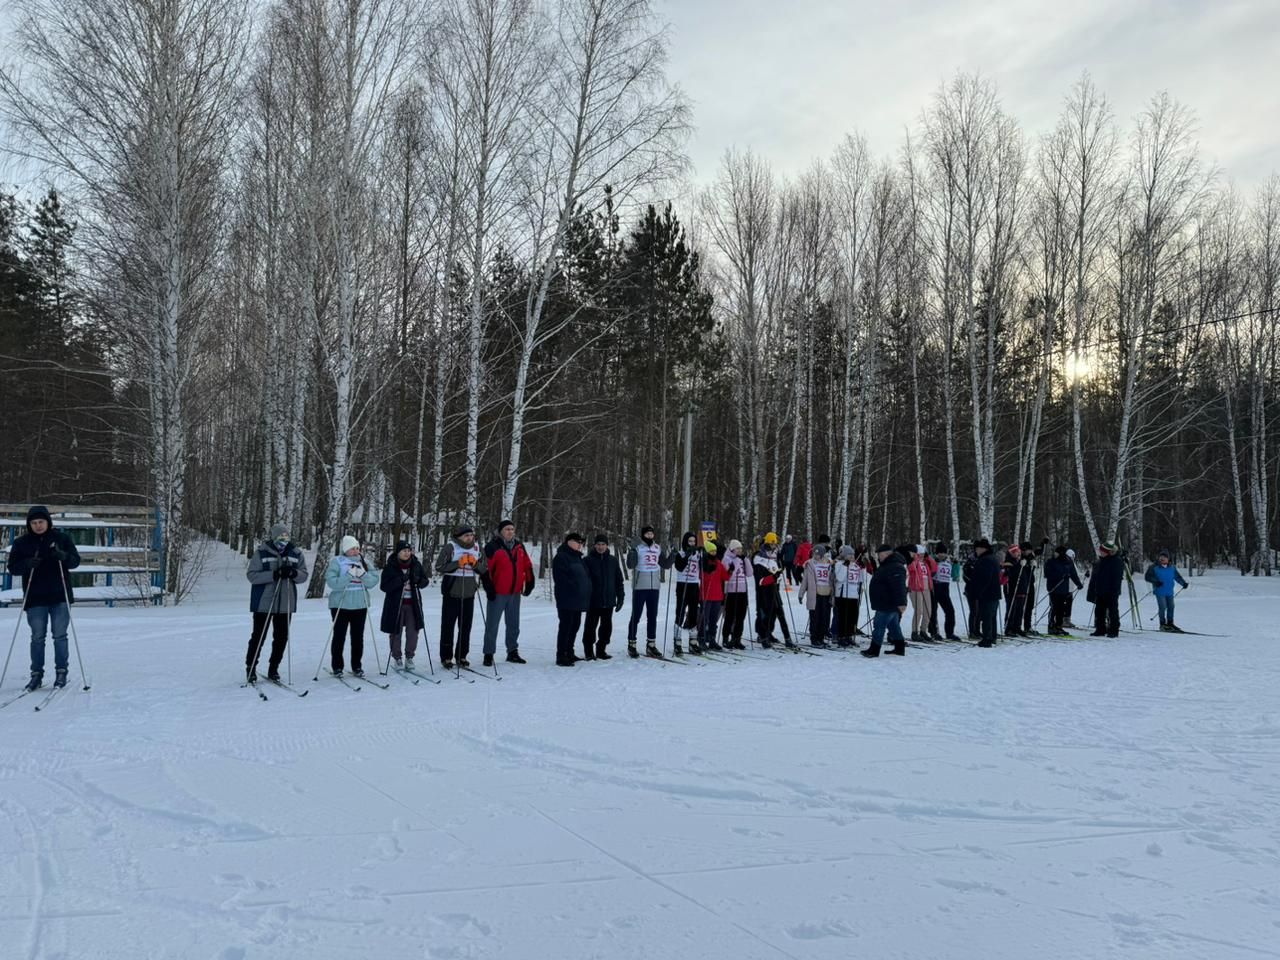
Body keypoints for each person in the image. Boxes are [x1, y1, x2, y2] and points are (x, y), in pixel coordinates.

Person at [5, 505, 82, 691]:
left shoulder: (61, 538)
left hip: (59, 595)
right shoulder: (22, 542)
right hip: (35, 597)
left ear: (48, 521)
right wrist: (26, 563)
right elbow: (13, 567)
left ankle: (61, 671)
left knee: (60, 635)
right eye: (34, 523)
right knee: (37, 637)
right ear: (28, 524)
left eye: (41, 522)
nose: (38, 526)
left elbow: (75, 561)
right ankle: (36, 674)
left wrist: (62, 556)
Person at [245, 522, 309, 683]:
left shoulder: (295, 553)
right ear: (273, 538)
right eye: (280, 538)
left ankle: (274, 668)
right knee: (259, 636)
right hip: (264, 602)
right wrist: (273, 574)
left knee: (281, 637)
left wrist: (293, 572)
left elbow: (304, 575)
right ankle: (251, 667)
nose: (283, 542)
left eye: (286, 538)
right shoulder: (262, 552)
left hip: (285, 602)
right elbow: (252, 575)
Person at [324, 535, 380, 677]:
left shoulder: (364, 562)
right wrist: (349, 575)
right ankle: (337, 666)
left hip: (360, 604)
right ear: (345, 550)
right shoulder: (337, 562)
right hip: (340, 605)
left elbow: (373, 581)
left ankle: (357, 666)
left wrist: (362, 575)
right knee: (339, 636)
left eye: (357, 548)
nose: (356, 551)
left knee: (357, 637)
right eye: (352, 549)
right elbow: (332, 583)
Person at [482, 520, 535, 664]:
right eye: (507, 529)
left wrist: (530, 581)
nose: (510, 531)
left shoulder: (519, 546)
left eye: (512, 529)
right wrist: (489, 587)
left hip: (515, 593)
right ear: (500, 531)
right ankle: (488, 653)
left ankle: (512, 651)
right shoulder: (492, 547)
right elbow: (485, 569)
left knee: (513, 624)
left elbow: (527, 565)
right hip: (498, 592)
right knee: (492, 624)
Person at [436, 525, 488, 667]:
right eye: (466, 536)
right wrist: (458, 563)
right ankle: (446, 657)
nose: (469, 538)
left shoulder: (477, 548)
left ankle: (462, 656)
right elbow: (439, 566)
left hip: (469, 593)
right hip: (452, 592)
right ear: (459, 537)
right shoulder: (450, 547)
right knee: (448, 626)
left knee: (465, 627)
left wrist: (474, 563)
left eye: (471, 535)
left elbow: (484, 568)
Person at [380, 540, 431, 669]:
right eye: (404, 551)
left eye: (409, 551)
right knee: (395, 632)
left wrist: (418, 580)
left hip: (413, 604)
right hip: (395, 604)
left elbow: (425, 581)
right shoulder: (391, 565)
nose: (407, 553)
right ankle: (397, 658)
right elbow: (384, 586)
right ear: (398, 552)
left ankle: (409, 657)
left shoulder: (416, 565)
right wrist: (400, 580)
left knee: (413, 632)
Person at [625, 525, 668, 659]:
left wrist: (672, 555)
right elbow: (630, 565)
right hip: (640, 586)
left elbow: (665, 565)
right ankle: (632, 644)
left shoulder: (657, 547)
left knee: (652, 616)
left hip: (654, 587)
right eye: (647, 534)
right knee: (636, 616)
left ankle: (651, 644)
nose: (650, 536)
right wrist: (632, 551)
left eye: (651, 534)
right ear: (643, 535)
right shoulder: (638, 547)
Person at [552, 532, 591, 666]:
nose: (580, 544)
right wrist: (574, 587)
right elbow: (561, 579)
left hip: (578, 600)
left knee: (575, 626)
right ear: (569, 541)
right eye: (577, 542)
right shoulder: (561, 557)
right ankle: (561, 655)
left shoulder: (579, 558)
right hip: (566, 599)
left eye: (581, 542)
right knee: (566, 627)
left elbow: (585, 576)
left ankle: (569, 651)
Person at [862, 544, 908, 657]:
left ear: (888, 554)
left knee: (879, 625)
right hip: (886, 602)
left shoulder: (895, 566)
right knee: (893, 626)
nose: (878, 557)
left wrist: (902, 602)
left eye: (880, 554)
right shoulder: (888, 565)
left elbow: (899, 586)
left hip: (887, 603)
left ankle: (874, 649)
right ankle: (899, 647)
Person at [583, 534, 624, 659]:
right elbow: (584, 582)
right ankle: (589, 651)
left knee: (606, 627)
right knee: (590, 627)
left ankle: (601, 650)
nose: (600, 547)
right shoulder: (588, 560)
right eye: (598, 544)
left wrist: (620, 597)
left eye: (603, 544)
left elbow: (618, 580)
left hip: (609, 600)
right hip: (593, 601)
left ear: (607, 545)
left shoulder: (613, 560)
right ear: (594, 545)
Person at [752, 533, 792, 649]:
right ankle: (763, 636)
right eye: (772, 544)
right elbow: (760, 579)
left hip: (774, 588)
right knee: (764, 613)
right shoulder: (758, 557)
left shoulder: (775, 554)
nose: (774, 546)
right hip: (763, 591)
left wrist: (779, 571)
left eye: (775, 544)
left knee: (779, 612)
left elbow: (777, 567)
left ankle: (786, 638)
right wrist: (774, 576)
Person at [797, 543, 835, 648]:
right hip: (815, 594)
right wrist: (801, 593)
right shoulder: (810, 564)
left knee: (825, 618)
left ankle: (821, 638)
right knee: (815, 617)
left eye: (818, 554)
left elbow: (833, 578)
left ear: (823, 554)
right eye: (814, 553)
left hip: (826, 594)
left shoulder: (828, 563)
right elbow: (805, 581)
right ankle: (814, 638)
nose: (816, 555)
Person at [670, 531, 701, 656]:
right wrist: (687, 555)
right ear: (685, 542)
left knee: (693, 613)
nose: (692, 544)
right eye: (690, 541)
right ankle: (677, 642)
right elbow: (679, 567)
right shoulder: (681, 553)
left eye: (694, 542)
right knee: (680, 612)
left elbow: (705, 568)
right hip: (683, 585)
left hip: (694, 585)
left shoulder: (697, 554)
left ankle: (693, 641)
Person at [1144, 549, 1189, 632]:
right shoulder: (1154, 567)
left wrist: (1183, 583)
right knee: (1163, 607)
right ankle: (1162, 624)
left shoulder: (1172, 568)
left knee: (1171, 607)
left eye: (1164, 557)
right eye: (1161, 557)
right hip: (1160, 591)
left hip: (1169, 591)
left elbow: (1177, 577)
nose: (1162, 558)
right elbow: (1147, 577)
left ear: (1168, 559)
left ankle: (1170, 623)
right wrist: (1156, 582)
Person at [1087, 541, 1125, 638]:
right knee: (1099, 611)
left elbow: (1117, 578)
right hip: (1100, 590)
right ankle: (1100, 629)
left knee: (1113, 611)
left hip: (1111, 591)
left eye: (1102, 551)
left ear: (1108, 552)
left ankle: (1113, 630)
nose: (1100, 553)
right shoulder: (1101, 561)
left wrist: (1114, 590)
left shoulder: (1117, 561)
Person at [1043, 545, 1083, 636]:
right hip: (1054, 588)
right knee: (1054, 607)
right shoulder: (1051, 561)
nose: (1055, 554)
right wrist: (1060, 575)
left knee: (1061, 608)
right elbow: (1048, 573)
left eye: (1057, 553)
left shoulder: (1068, 562)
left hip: (1064, 589)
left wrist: (1078, 584)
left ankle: (1059, 626)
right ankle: (1051, 626)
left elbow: (1073, 573)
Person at [969, 539, 1003, 647]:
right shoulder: (993, 559)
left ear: (983, 549)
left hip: (987, 593)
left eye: (977, 549)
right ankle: (992, 636)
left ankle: (987, 639)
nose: (976, 551)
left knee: (986, 616)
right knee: (992, 616)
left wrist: (978, 591)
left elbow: (984, 578)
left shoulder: (984, 560)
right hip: (994, 592)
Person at [697, 540, 729, 652]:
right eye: (711, 551)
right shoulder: (703, 562)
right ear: (707, 552)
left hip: (717, 595)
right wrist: (708, 572)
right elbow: (701, 577)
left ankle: (712, 640)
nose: (714, 553)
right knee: (704, 618)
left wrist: (730, 571)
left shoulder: (718, 563)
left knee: (713, 620)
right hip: (706, 595)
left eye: (715, 551)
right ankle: (701, 639)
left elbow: (725, 577)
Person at [720, 539, 751, 650]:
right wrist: (738, 561)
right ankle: (725, 638)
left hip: (742, 590)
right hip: (732, 591)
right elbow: (729, 575)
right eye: (738, 548)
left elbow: (750, 573)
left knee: (740, 616)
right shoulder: (726, 559)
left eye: (741, 549)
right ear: (732, 549)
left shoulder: (741, 559)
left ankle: (737, 638)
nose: (740, 550)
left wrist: (746, 560)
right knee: (730, 616)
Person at [832, 545, 863, 646]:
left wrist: (861, 568)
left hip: (853, 595)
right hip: (842, 595)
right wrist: (845, 566)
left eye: (853, 554)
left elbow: (860, 579)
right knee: (842, 617)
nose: (852, 556)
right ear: (844, 555)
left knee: (852, 617)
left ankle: (849, 636)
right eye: (849, 554)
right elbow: (840, 578)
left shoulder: (855, 566)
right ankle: (841, 637)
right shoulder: (840, 564)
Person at [928, 543, 959, 640]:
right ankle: (933, 632)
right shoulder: (932, 560)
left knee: (950, 611)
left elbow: (954, 575)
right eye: (939, 553)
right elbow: (929, 572)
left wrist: (956, 564)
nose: (942, 555)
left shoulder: (948, 562)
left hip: (945, 589)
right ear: (936, 553)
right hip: (934, 587)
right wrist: (934, 563)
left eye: (944, 553)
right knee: (933, 611)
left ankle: (950, 633)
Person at [906, 544, 934, 642]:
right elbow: (910, 569)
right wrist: (914, 560)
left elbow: (934, 568)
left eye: (923, 553)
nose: (922, 555)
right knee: (919, 610)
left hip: (926, 588)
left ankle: (923, 630)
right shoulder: (914, 562)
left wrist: (929, 559)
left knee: (928, 610)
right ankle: (914, 632)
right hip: (916, 588)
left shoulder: (926, 563)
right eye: (920, 553)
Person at [962, 548, 981, 638]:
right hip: (971, 589)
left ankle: (977, 630)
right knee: (974, 610)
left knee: (979, 611)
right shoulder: (969, 562)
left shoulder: (981, 560)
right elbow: (965, 575)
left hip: (979, 589)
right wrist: (973, 581)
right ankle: (972, 631)